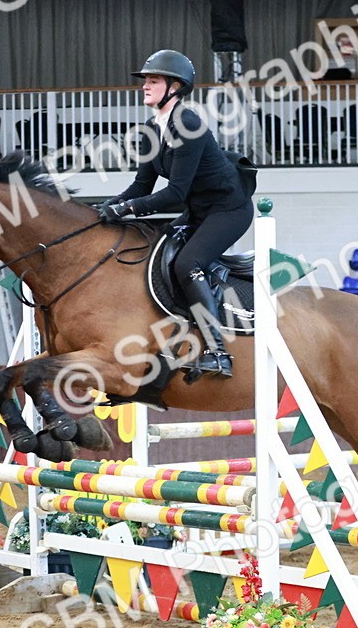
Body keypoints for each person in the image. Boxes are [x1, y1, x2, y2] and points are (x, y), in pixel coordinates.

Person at [99, 49, 253, 380]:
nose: (144, 86)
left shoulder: (188, 123)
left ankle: (218, 352)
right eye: (145, 81)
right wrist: (101, 210)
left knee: (187, 263)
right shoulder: (151, 129)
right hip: (198, 210)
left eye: (153, 80)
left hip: (229, 210)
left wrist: (125, 210)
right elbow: (141, 186)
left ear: (175, 86)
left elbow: (175, 193)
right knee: (154, 252)